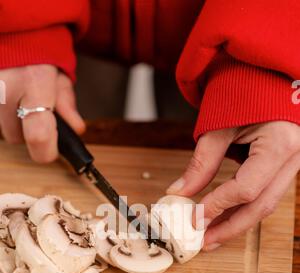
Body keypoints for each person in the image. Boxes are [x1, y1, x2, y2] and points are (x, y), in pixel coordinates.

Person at [0, 0, 299, 251]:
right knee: (47, 131)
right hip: (62, 25)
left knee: (225, 169)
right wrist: (17, 24)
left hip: (228, 35)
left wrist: (274, 55)